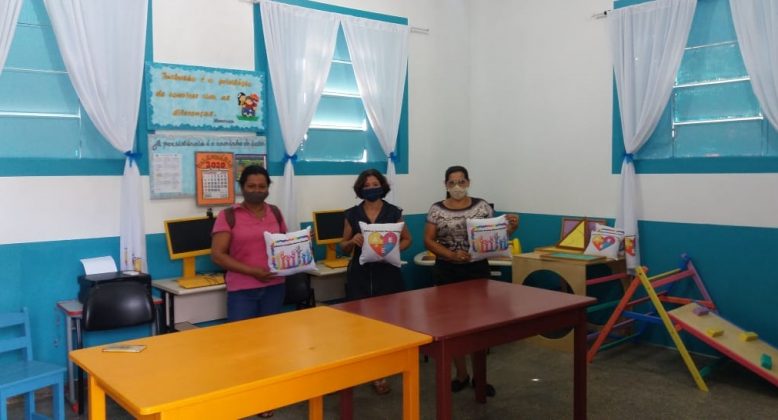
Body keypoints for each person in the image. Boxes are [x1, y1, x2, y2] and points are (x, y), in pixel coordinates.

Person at [423, 165, 519, 397]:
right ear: (445, 184)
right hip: (447, 271)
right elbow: (428, 240)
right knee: (452, 326)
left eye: (461, 181)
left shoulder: (482, 206)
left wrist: (511, 229)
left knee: (480, 325)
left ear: (468, 182)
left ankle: (480, 377)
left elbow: (493, 236)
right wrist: (451, 255)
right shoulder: (436, 209)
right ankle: (461, 374)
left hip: (476, 270)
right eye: (452, 182)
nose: (457, 186)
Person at [211, 165, 285, 418]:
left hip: (274, 287)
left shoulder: (275, 212)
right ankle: (243, 396)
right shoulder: (228, 216)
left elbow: (283, 245)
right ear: (242, 187)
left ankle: (265, 396)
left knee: (269, 345)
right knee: (242, 347)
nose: (257, 190)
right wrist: (252, 271)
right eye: (251, 186)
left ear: (268, 188)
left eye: (262, 186)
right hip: (242, 290)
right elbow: (218, 255)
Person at [340, 168, 412, 395]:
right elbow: (343, 246)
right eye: (367, 185)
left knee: (389, 324)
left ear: (383, 186)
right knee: (362, 325)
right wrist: (351, 241)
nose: (371, 188)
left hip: (388, 275)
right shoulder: (352, 214)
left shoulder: (393, 212)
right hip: (360, 276)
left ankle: (383, 371)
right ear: (360, 189)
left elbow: (408, 239)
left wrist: (392, 250)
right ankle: (369, 369)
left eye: (375, 184)